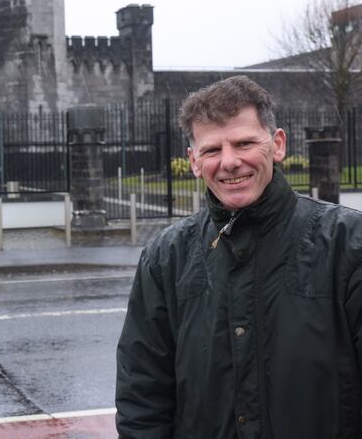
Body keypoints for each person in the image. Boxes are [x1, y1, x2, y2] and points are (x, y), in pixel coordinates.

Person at [115, 76, 362, 438]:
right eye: (212, 150)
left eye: (244, 143)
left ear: (277, 145)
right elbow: (143, 395)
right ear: (194, 162)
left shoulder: (349, 244)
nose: (229, 162)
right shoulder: (166, 258)